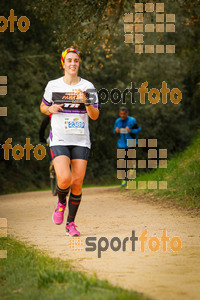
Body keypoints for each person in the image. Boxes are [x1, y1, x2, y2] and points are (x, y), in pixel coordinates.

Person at [40, 48, 99, 236]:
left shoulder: (88, 86)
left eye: (76, 61)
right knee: (64, 178)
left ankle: (70, 224)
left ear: (79, 63)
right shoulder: (53, 85)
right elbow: (42, 107)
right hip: (59, 138)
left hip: (81, 140)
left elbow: (95, 115)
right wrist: (51, 108)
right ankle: (60, 203)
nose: (73, 64)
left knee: (77, 183)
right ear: (63, 64)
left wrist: (87, 102)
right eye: (69, 61)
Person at [113, 107, 141, 186]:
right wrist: (116, 131)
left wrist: (131, 131)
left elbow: (138, 129)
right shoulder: (117, 121)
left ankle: (131, 179)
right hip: (121, 145)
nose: (122, 115)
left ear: (127, 113)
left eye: (124, 114)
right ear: (119, 114)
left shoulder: (132, 120)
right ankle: (123, 180)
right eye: (121, 114)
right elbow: (114, 131)